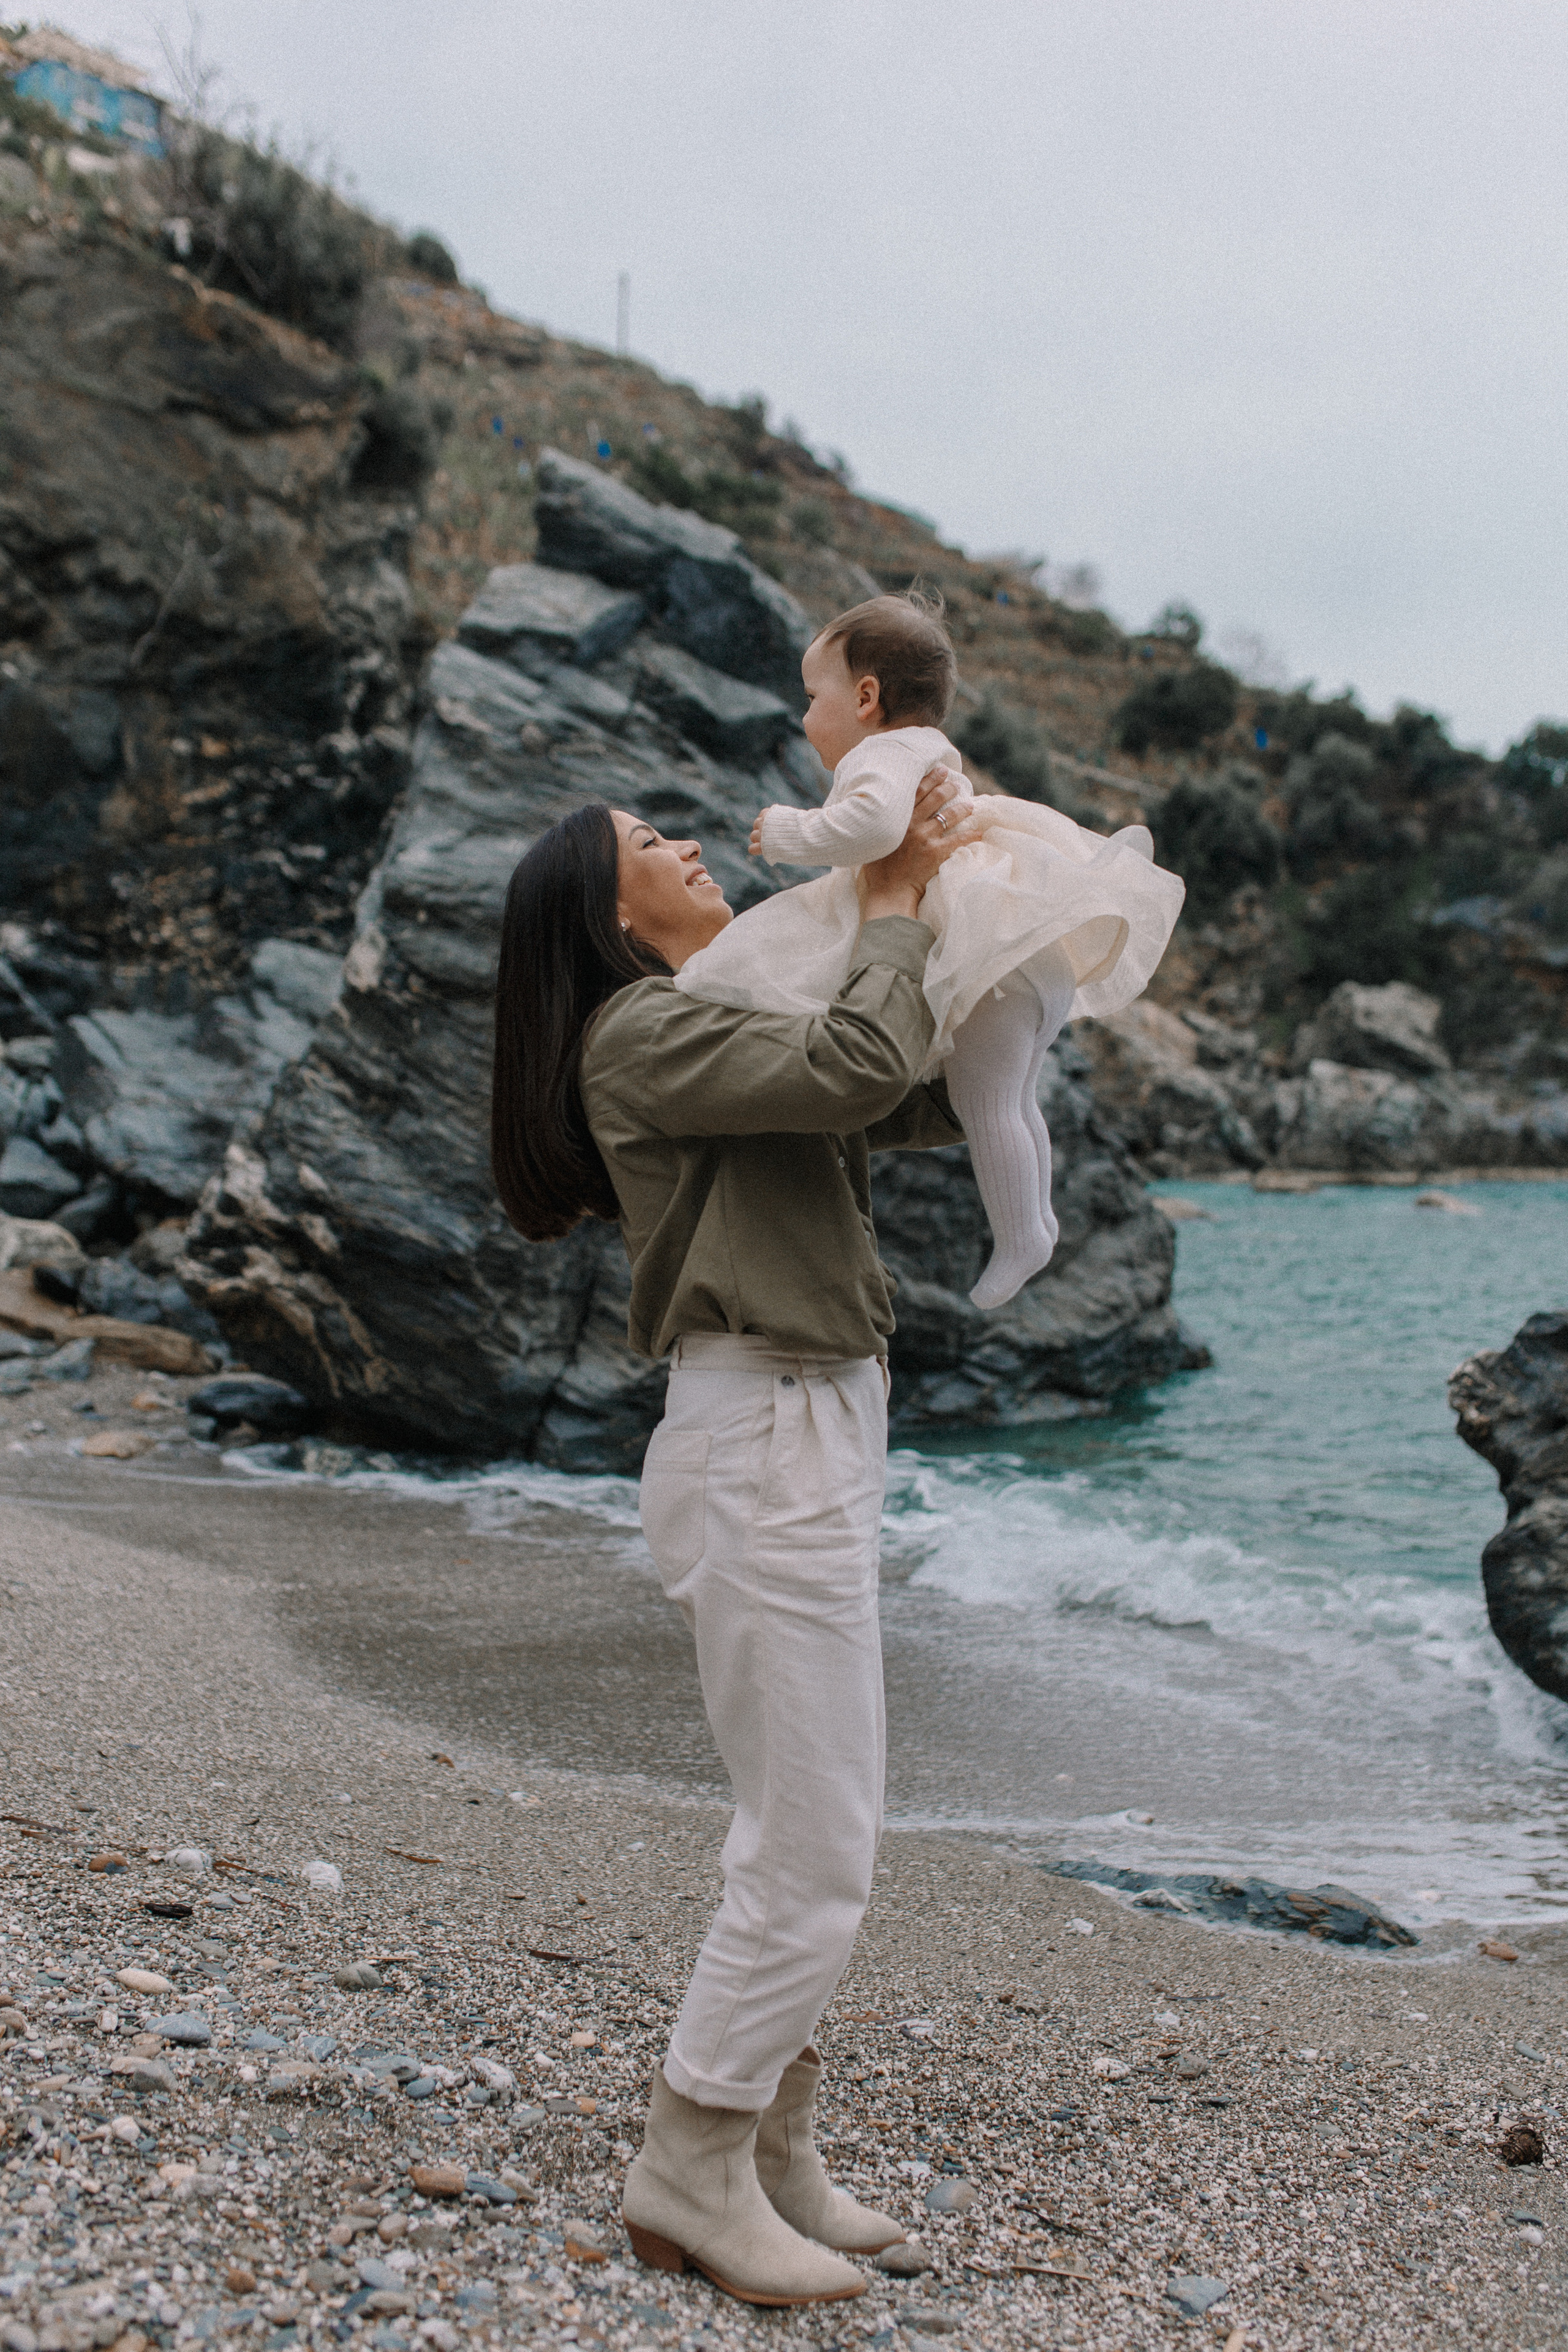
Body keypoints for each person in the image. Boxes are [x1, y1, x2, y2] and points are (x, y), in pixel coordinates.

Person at [489, 778, 970, 2309]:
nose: (690, 847)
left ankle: (770, 2142)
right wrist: (885, 914)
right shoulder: (638, 1034)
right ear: (607, 915)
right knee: (815, 1844)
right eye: (651, 847)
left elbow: (906, 1088)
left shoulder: (714, 1017)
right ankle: (687, 2159)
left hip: (798, 1426)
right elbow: (857, 1061)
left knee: (801, 1818)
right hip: (763, 1435)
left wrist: (958, 914)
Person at [673, 594, 1186, 1307]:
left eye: (812, 697)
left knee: (987, 1102)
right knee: (1013, 1101)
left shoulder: (881, 754)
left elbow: (876, 829)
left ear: (866, 697)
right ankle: (1034, 1221)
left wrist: (791, 831)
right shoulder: (928, 750)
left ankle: (1021, 1238)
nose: (803, 716)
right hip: (1027, 955)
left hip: (988, 958)